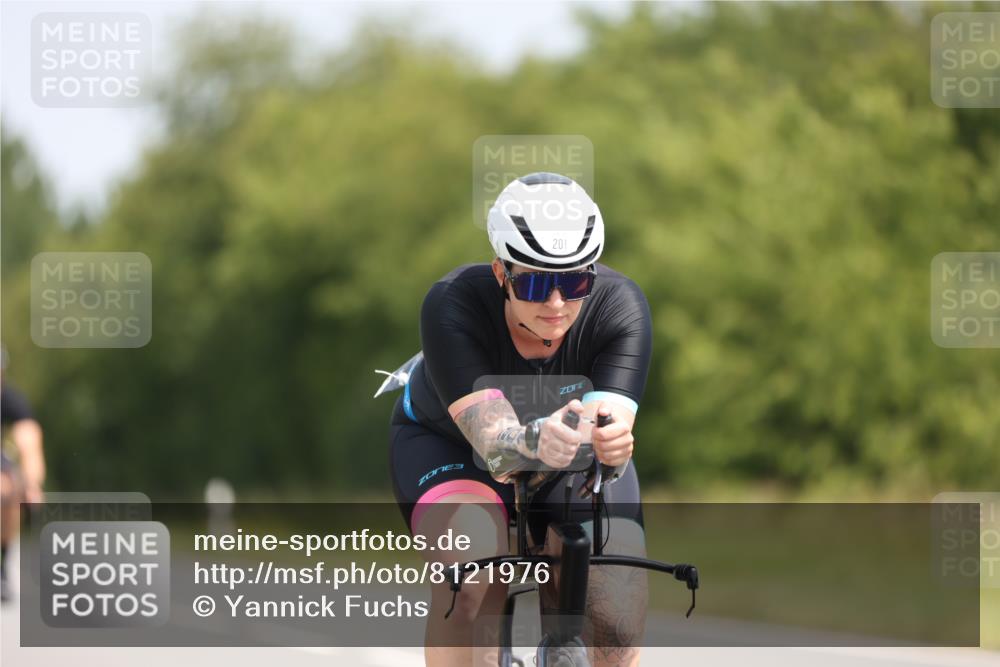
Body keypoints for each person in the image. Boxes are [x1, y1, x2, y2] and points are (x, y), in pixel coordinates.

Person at [387, 173, 653, 666]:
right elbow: (493, 442)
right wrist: (535, 438)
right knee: (472, 572)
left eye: (575, 283)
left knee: (615, 612)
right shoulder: (451, 303)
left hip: (563, 448)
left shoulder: (621, 306)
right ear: (500, 273)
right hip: (451, 444)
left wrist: (611, 445)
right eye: (534, 282)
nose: (556, 304)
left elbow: (607, 424)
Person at [0, 346, 46, 603]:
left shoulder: (10, 399)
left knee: (8, 489)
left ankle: (1, 566)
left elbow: (29, 445)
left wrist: (32, 484)